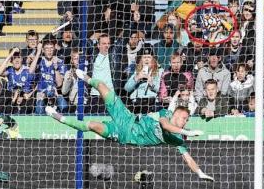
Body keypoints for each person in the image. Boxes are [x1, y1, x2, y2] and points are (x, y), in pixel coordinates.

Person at [46, 69, 214, 181]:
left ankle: (58, 117)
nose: (186, 121)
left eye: (186, 120)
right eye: (185, 118)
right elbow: (166, 126)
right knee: (103, 87)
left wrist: (200, 173)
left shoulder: (176, 139)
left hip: (124, 134)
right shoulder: (165, 115)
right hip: (127, 116)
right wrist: (189, 132)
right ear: (177, 114)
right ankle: (85, 77)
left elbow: (188, 158)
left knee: (92, 125)